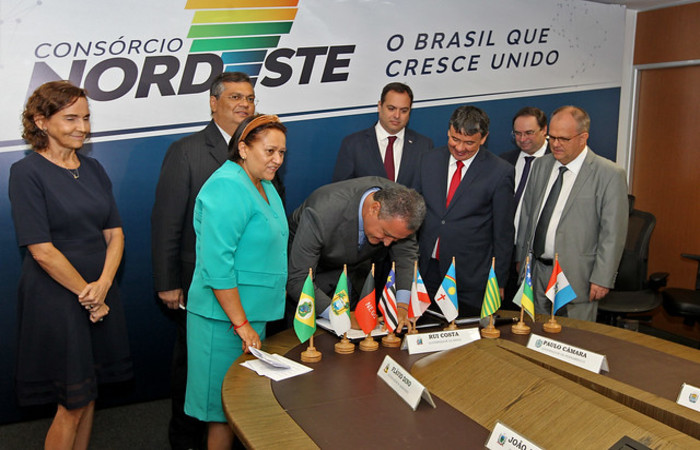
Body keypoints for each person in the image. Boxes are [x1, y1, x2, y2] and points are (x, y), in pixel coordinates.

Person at [151, 72, 284, 449]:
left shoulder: (266, 177)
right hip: (215, 304)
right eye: (235, 96)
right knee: (208, 400)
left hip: (248, 304)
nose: (276, 159)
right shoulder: (199, 160)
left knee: (234, 405)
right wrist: (168, 280)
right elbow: (169, 222)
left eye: (251, 98)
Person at [9, 81, 132, 449]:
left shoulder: (93, 168)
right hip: (58, 298)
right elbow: (41, 250)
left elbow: (115, 235)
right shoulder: (26, 172)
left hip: (100, 292)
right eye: (71, 118)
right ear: (41, 122)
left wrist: (104, 285)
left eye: (87, 118)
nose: (82, 126)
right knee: (72, 403)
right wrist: (89, 294)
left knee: (89, 393)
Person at [184, 114, 288, 449]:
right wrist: (241, 323)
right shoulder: (227, 186)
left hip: (250, 315)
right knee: (221, 412)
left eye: (282, 153)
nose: (277, 160)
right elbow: (217, 265)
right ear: (243, 148)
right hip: (224, 320)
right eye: (269, 151)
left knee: (239, 409)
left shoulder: (265, 184)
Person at [515, 106, 628, 321]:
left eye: (563, 139)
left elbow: (612, 233)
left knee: (573, 342)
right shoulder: (540, 166)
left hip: (577, 278)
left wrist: (602, 278)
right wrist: (521, 258)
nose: (555, 144)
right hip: (537, 272)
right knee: (534, 336)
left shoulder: (609, 174)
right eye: (552, 137)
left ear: (583, 137)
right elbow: (528, 216)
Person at [287, 177, 425, 331]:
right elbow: (298, 280)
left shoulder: (403, 212)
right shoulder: (321, 212)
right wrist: (340, 315)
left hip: (354, 278)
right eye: (385, 233)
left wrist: (402, 306)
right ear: (374, 208)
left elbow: (405, 257)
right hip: (314, 281)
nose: (387, 244)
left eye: (395, 239)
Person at [417, 105, 515, 315]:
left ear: (484, 138)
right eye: (455, 139)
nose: (460, 148)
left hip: (470, 277)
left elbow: (503, 233)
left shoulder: (500, 172)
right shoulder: (428, 160)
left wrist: (498, 280)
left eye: (469, 142)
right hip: (427, 270)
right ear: (449, 130)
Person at [332, 82, 434, 189]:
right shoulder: (353, 144)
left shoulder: (424, 146)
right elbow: (341, 194)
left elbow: (428, 191)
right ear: (380, 106)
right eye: (391, 108)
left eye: (404, 110)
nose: (397, 115)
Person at [500, 107, 550, 304]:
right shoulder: (504, 161)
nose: (523, 139)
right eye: (518, 133)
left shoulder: (555, 163)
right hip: (505, 247)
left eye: (529, 133)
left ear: (544, 130)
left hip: (533, 252)